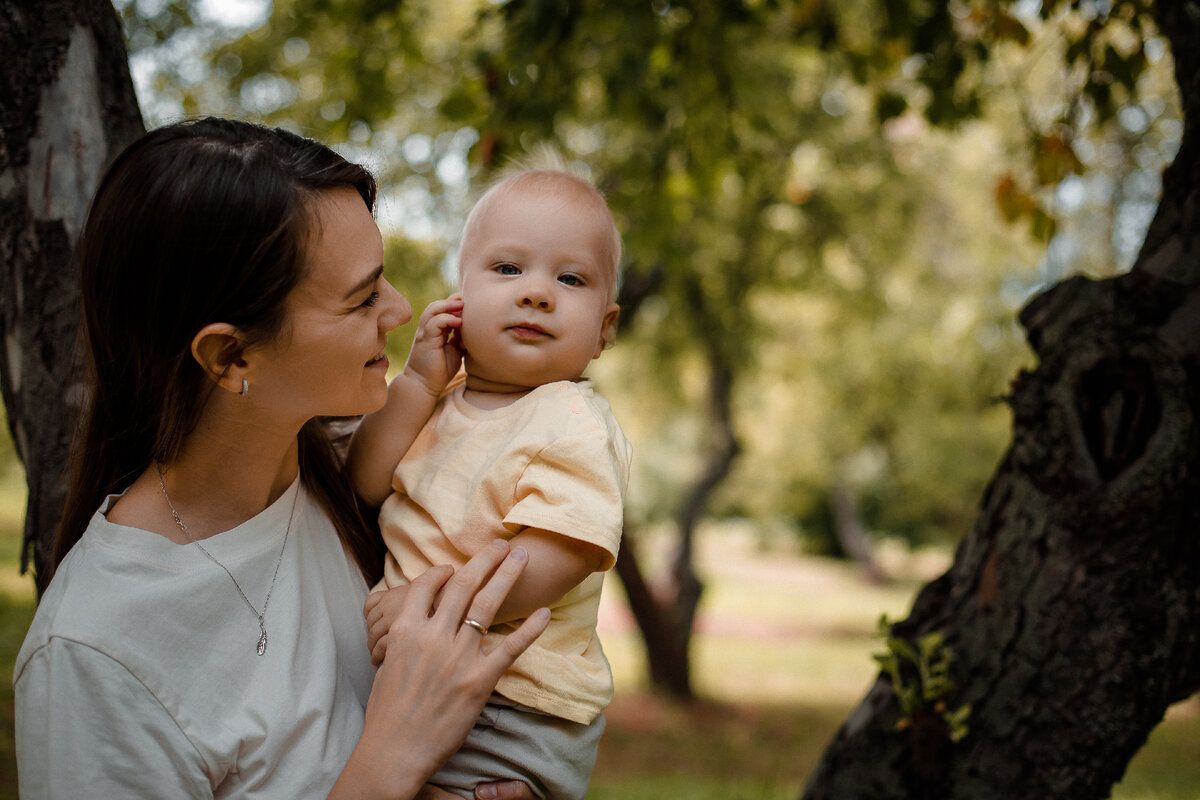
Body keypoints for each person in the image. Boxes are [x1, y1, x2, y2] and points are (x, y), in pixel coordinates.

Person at [13, 117, 548, 800]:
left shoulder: (353, 473)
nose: (399, 309)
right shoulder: (93, 656)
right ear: (231, 356)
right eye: (362, 298)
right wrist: (394, 758)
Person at [348, 167, 630, 800]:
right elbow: (364, 482)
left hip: (511, 698)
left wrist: (428, 605)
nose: (537, 293)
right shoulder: (437, 399)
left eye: (570, 279)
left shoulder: (571, 422)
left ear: (605, 329)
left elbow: (556, 556)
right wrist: (416, 383)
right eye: (508, 269)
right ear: (461, 295)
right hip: (430, 672)